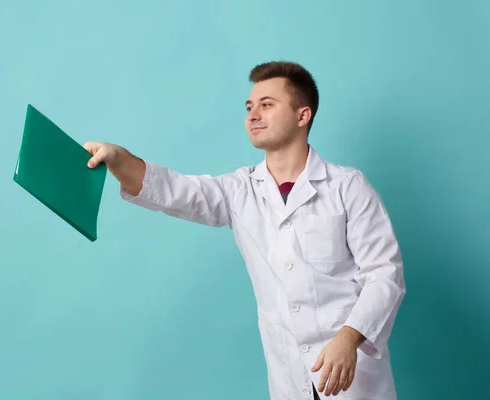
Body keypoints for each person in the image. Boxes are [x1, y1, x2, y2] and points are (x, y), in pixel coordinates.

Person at [83, 61, 406, 400]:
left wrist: (348, 338)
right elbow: (175, 190)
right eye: (250, 107)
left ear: (302, 115)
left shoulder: (347, 187)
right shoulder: (240, 191)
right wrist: (118, 159)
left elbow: (385, 275)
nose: (253, 115)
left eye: (267, 105)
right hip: (289, 380)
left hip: (350, 379)